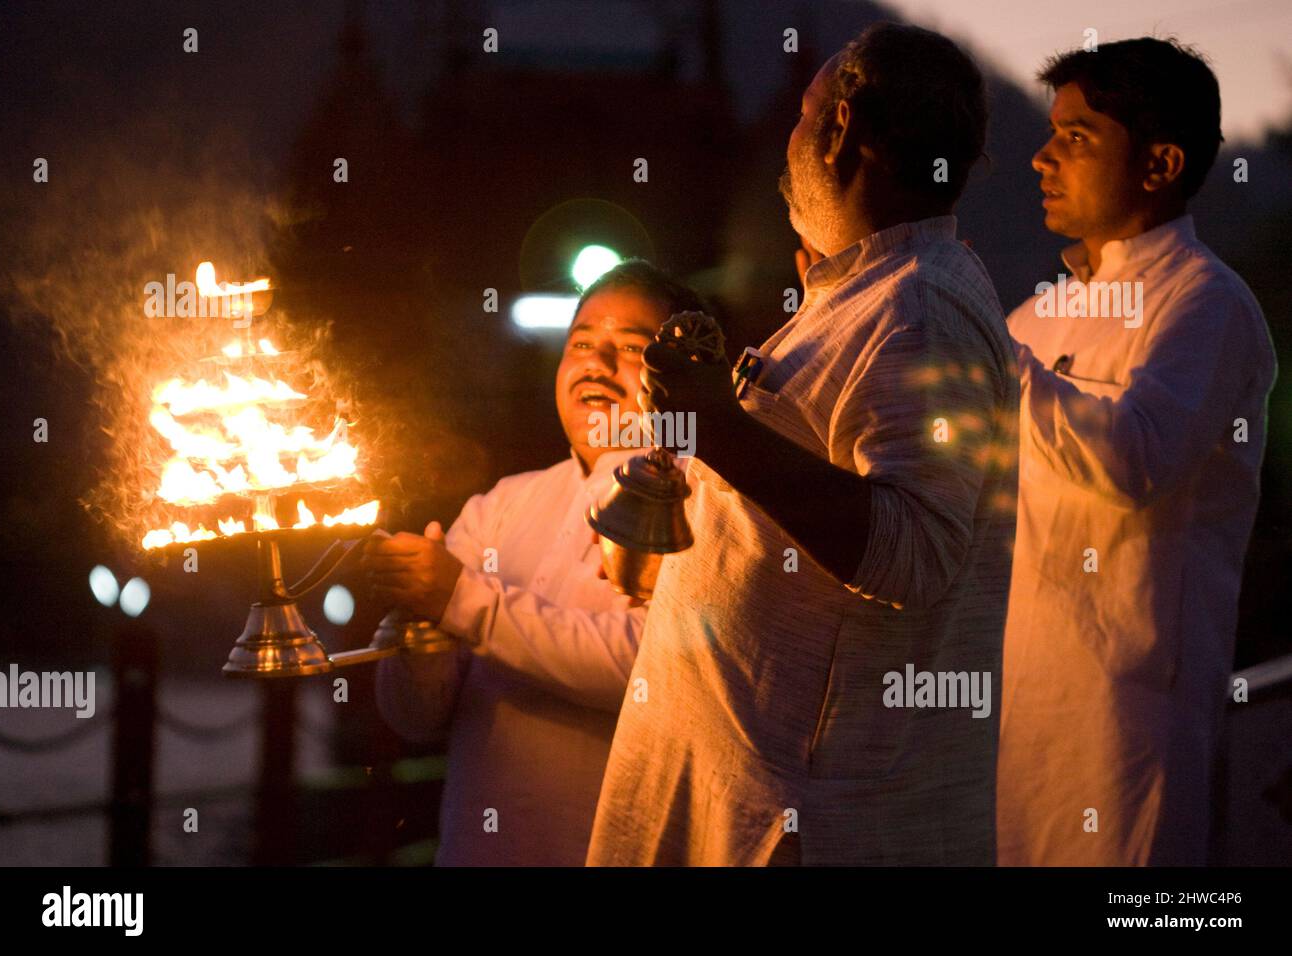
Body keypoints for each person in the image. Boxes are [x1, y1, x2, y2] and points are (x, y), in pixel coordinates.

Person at [586, 23, 1019, 866]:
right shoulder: (873, 291)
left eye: (801, 116)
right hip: (741, 785)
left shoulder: (921, 309)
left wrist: (720, 430)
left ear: (844, 126)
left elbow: (919, 552)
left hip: (796, 821)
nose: (787, 145)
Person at [997, 38, 1277, 866]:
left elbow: (1137, 457)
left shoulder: (1207, 303)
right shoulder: (1034, 318)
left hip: (1126, 733)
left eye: (1078, 137)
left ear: (1159, 164)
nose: (1043, 156)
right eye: (1050, 133)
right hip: (1012, 724)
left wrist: (987, 357)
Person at [367, 260, 710, 865]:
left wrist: (458, 600)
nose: (596, 364)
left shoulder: (702, 499)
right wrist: (420, 647)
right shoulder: (502, 503)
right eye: (581, 342)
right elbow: (416, 719)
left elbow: (647, 670)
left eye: (629, 347)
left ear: (680, 373)